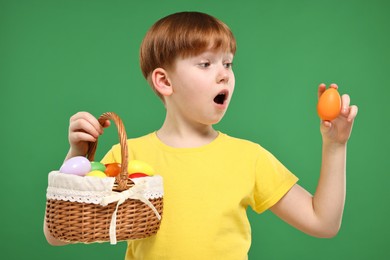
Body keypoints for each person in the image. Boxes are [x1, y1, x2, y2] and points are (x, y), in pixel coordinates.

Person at [44, 11, 358, 259]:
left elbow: (323, 223)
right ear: (164, 82)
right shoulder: (128, 158)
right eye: (206, 64)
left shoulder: (249, 157)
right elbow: (57, 235)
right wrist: (78, 157)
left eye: (228, 63)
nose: (224, 74)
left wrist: (335, 145)